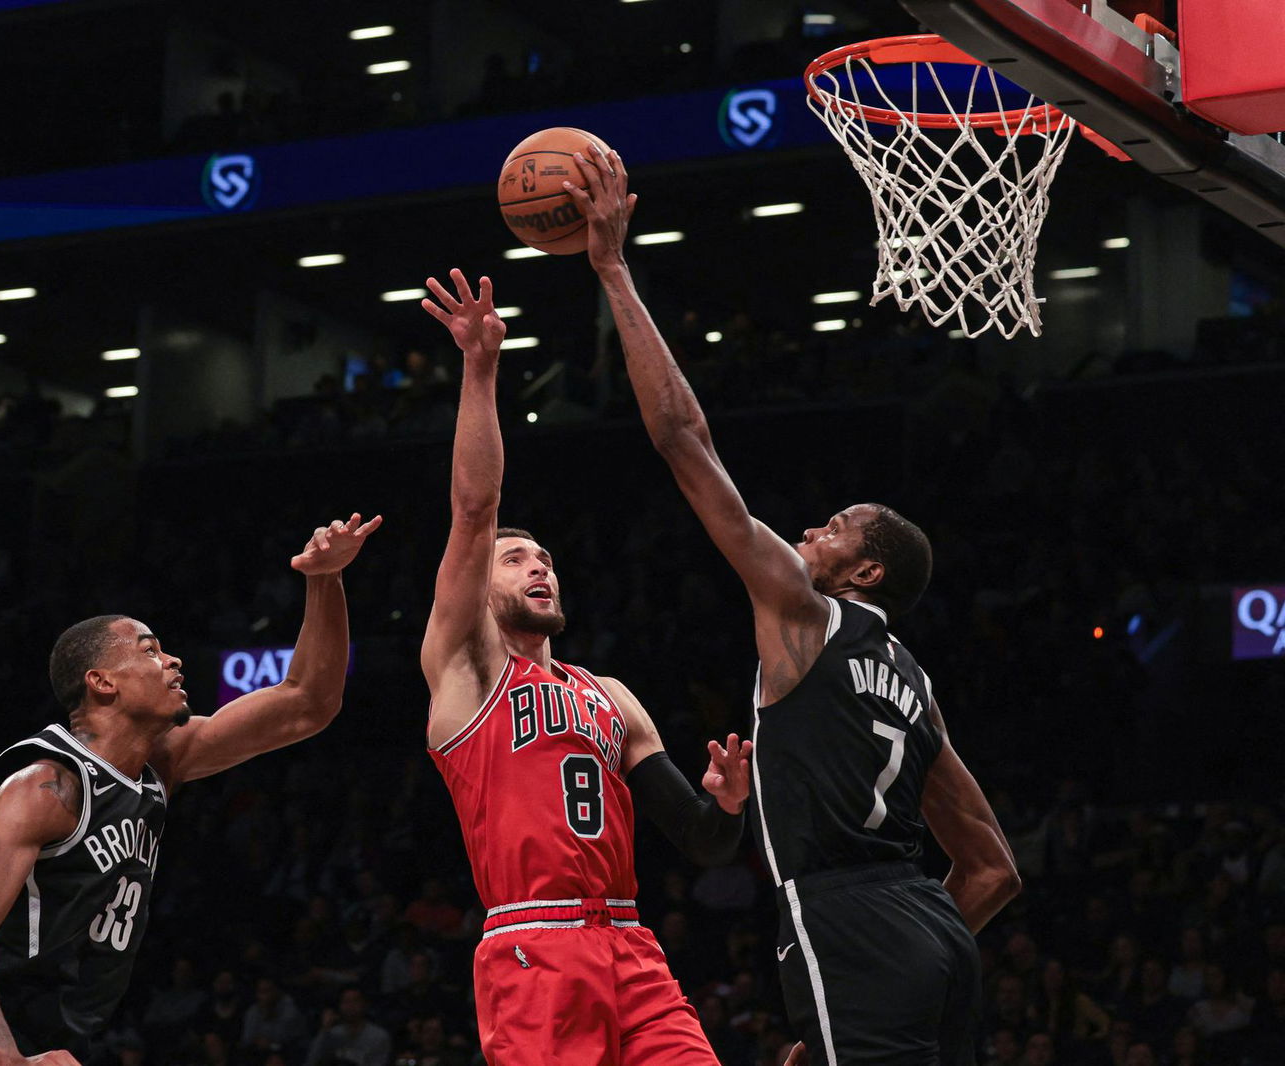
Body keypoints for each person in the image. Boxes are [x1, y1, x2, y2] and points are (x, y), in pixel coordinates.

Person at [566, 143, 1022, 1065]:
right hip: (932, 930)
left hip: (844, 911)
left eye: (840, 527)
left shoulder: (808, 618)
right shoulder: (914, 682)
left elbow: (682, 439)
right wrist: (916, 948)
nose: (816, 526)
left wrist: (612, 267)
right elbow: (993, 869)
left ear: (865, 576)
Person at [418, 268, 750, 1065]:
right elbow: (475, 508)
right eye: (517, 559)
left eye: (547, 560)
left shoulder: (612, 697)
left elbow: (703, 843)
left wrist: (730, 805)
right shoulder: (466, 668)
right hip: (535, 944)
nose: (539, 568)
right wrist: (481, 366)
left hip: (631, 943)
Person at [0, 514, 381, 1066]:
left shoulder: (163, 762)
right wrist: (6, 1059)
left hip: (58, 1032)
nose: (172, 659)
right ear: (101, 682)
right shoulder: (48, 785)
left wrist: (326, 579)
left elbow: (309, 704)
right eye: (150, 650)